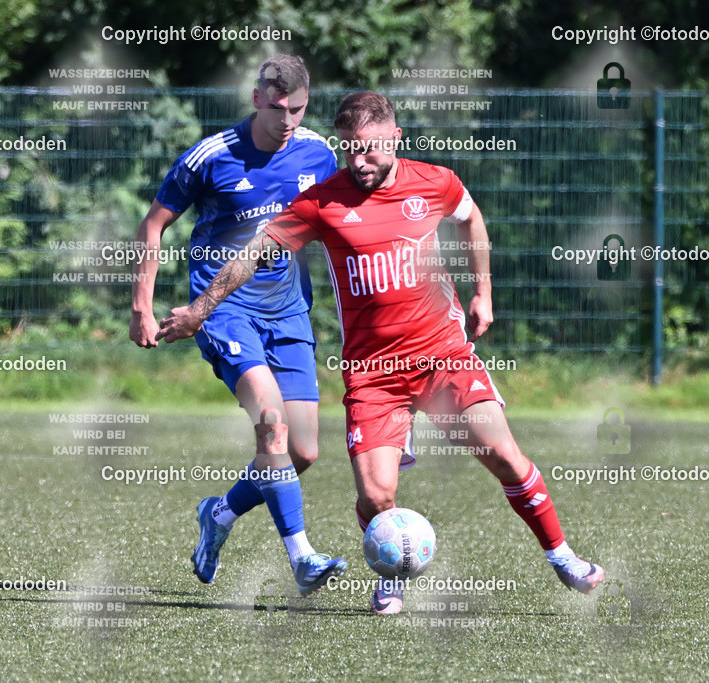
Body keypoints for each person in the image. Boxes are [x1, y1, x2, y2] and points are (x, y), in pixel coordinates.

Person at [155, 90, 604, 614]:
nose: (358, 161)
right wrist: (200, 310)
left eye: (368, 148)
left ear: (395, 138)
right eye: (348, 149)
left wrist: (482, 292)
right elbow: (254, 252)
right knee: (375, 497)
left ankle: (562, 556)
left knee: (505, 456)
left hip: (442, 357)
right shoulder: (324, 201)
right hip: (374, 377)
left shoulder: (434, 182)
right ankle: (392, 571)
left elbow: (471, 218)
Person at [130, 55, 346, 596]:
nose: (287, 119)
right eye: (277, 108)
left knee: (302, 452)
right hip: (223, 309)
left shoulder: (320, 154)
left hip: (290, 310)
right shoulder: (214, 155)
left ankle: (219, 513)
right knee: (270, 423)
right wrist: (142, 305)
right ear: (256, 100)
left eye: (297, 108)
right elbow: (154, 223)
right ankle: (302, 556)